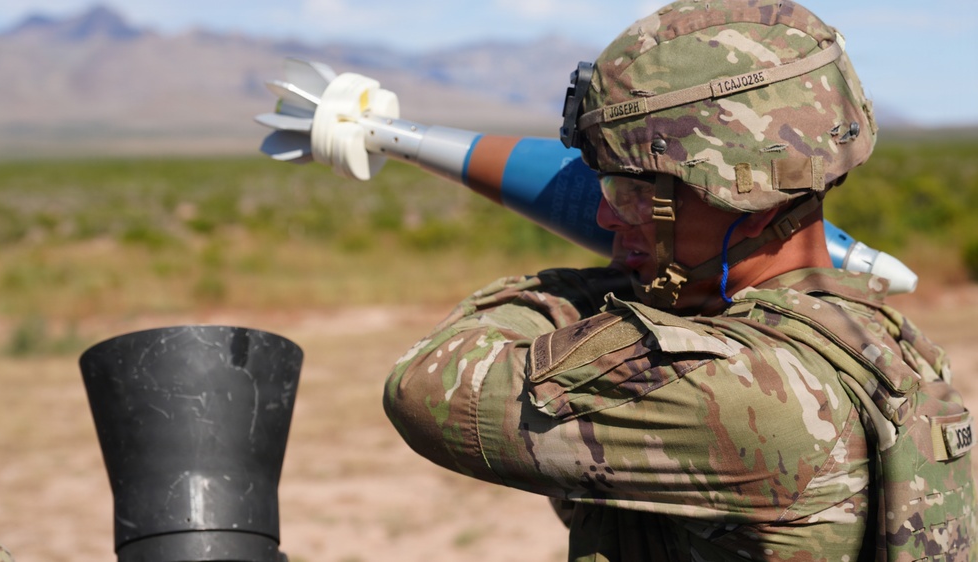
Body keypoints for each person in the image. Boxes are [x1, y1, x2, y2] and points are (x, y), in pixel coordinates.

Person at [382, 1, 977, 560]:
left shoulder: (746, 390)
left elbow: (427, 385)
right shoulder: (883, 335)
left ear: (752, 195)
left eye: (634, 193)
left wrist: (594, 289)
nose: (604, 216)